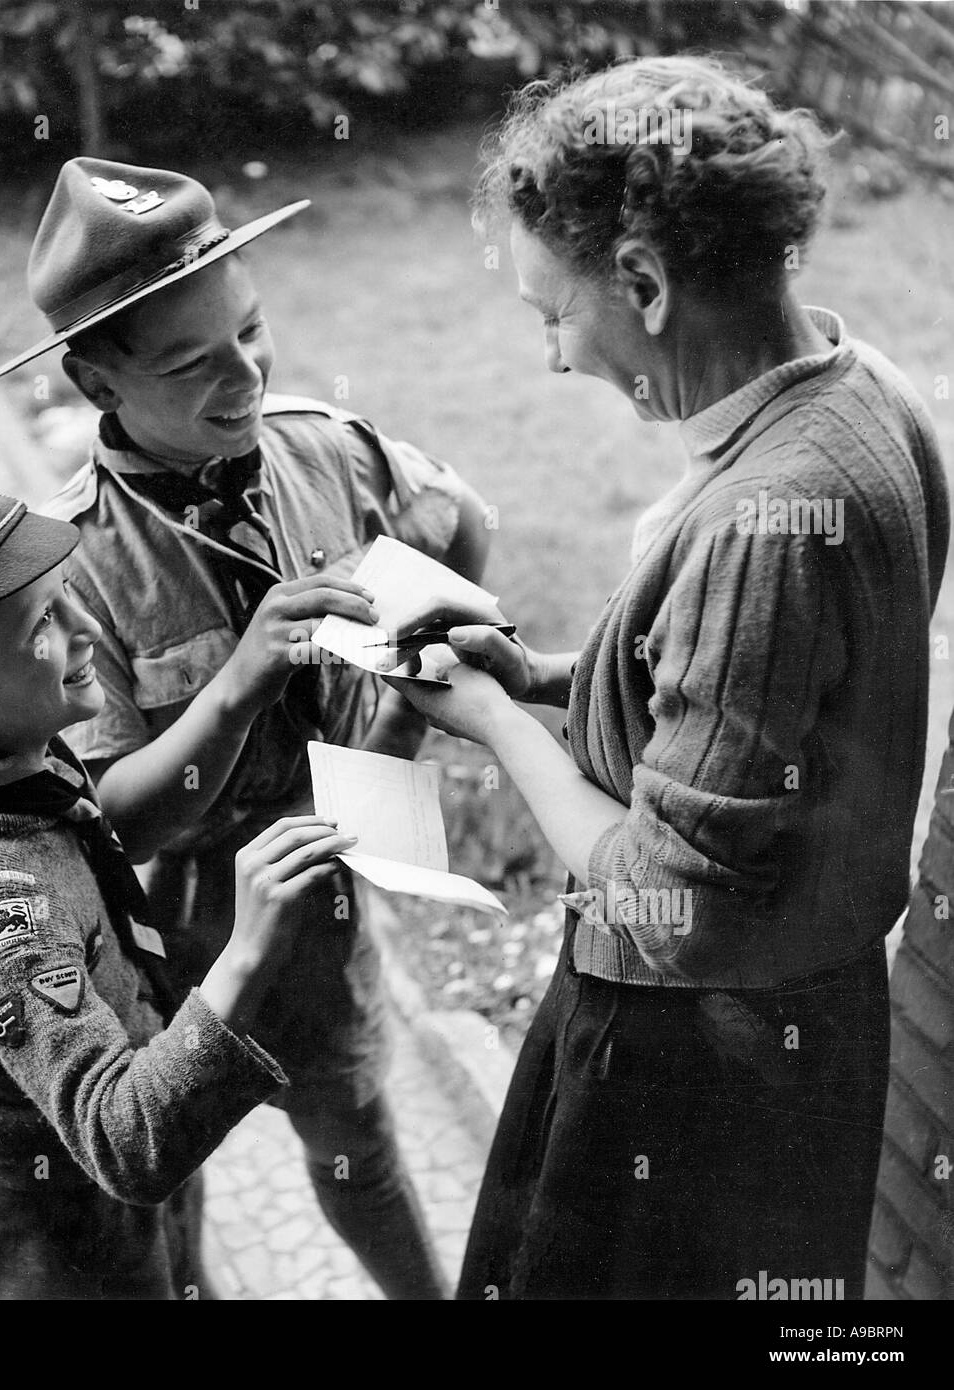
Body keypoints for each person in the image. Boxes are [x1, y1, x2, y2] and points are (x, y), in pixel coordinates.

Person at [389, 56, 950, 1300]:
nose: (550, 356)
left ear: (642, 281)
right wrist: (546, 676)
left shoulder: (765, 519)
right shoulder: (871, 392)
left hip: (700, 1065)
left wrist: (487, 717)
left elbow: (668, 900)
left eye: (553, 312)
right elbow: (767, 694)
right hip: (807, 1026)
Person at [0, 158, 492, 1299]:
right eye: (190, 362)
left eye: (253, 332)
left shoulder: (329, 448)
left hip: (324, 901)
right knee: (167, 1175)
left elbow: (464, 530)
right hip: (161, 945)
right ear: (93, 379)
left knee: (356, 1147)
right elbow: (113, 818)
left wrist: (390, 748)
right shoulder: (66, 566)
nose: (246, 375)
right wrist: (242, 680)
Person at [0, 485, 360, 1299]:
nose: (83, 630)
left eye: (67, 593)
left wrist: (235, 693)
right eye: (41, 621)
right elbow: (128, 1142)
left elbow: (91, 836)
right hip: (58, 1249)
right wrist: (248, 950)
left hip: (84, 1186)